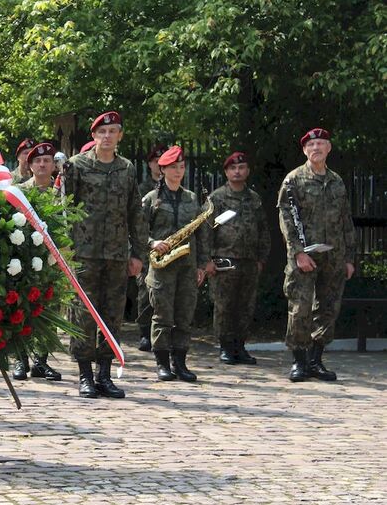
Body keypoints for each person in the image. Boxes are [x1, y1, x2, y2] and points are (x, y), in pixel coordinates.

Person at [63, 112, 148, 398]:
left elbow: (136, 212)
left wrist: (138, 253)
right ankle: (85, 375)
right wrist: (65, 249)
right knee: (83, 314)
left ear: (120, 136)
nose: (108, 136)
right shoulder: (76, 166)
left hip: (115, 254)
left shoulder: (127, 169)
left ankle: (105, 374)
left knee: (112, 315)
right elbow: (64, 209)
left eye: (113, 131)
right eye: (103, 132)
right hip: (83, 252)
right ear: (94, 136)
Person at [277, 128, 355, 383]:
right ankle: (299, 362)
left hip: (333, 255)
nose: (316, 148)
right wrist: (297, 253)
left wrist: (349, 257)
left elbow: (346, 220)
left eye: (321, 144)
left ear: (329, 148)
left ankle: (316, 360)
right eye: (311, 145)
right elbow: (286, 219)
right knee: (300, 309)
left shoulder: (336, 181)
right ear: (304, 150)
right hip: (304, 255)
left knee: (328, 309)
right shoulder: (293, 180)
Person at [142, 145, 209, 382]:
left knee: (184, 315)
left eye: (181, 167)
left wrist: (202, 264)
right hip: (162, 266)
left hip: (187, 266)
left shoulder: (192, 198)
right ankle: (162, 364)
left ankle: (180, 363)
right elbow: (139, 231)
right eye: (173, 167)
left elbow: (202, 234)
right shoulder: (152, 199)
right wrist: (152, 242)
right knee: (162, 315)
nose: (178, 171)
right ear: (162, 169)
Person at [205, 152, 271, 365]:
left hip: (249, 261)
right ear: (226, 172)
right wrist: (207, 259)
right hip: (225, 260)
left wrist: (261, 258)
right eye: (233, 168)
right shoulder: (217, 198)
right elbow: (206, 230)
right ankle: (225, 347)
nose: (237, 171)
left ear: (248, 171)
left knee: (245, 306)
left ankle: (240, 347)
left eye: (241, 167)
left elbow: (263, 230)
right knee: (225, 305)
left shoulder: (254, 199)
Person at [12, 143, 63, 382]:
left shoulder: (61, 195)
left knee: (49, 309)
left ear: (53, 166)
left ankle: (41, 361)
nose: (42, 165)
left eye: (47, 161)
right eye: (38, 161)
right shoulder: (19, 191)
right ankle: (20, 359)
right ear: (30, 165)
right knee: (21, 309)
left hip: (51, 262)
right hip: (24, 260)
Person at [134, 143, 168, 352]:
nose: (159, 164)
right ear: (149, 164)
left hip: (170, 248)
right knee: (145, 293)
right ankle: (145, 332)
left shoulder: (174, 187)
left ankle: (164, 332)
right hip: (148, 248)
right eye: (156, 161)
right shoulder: (142, 188)